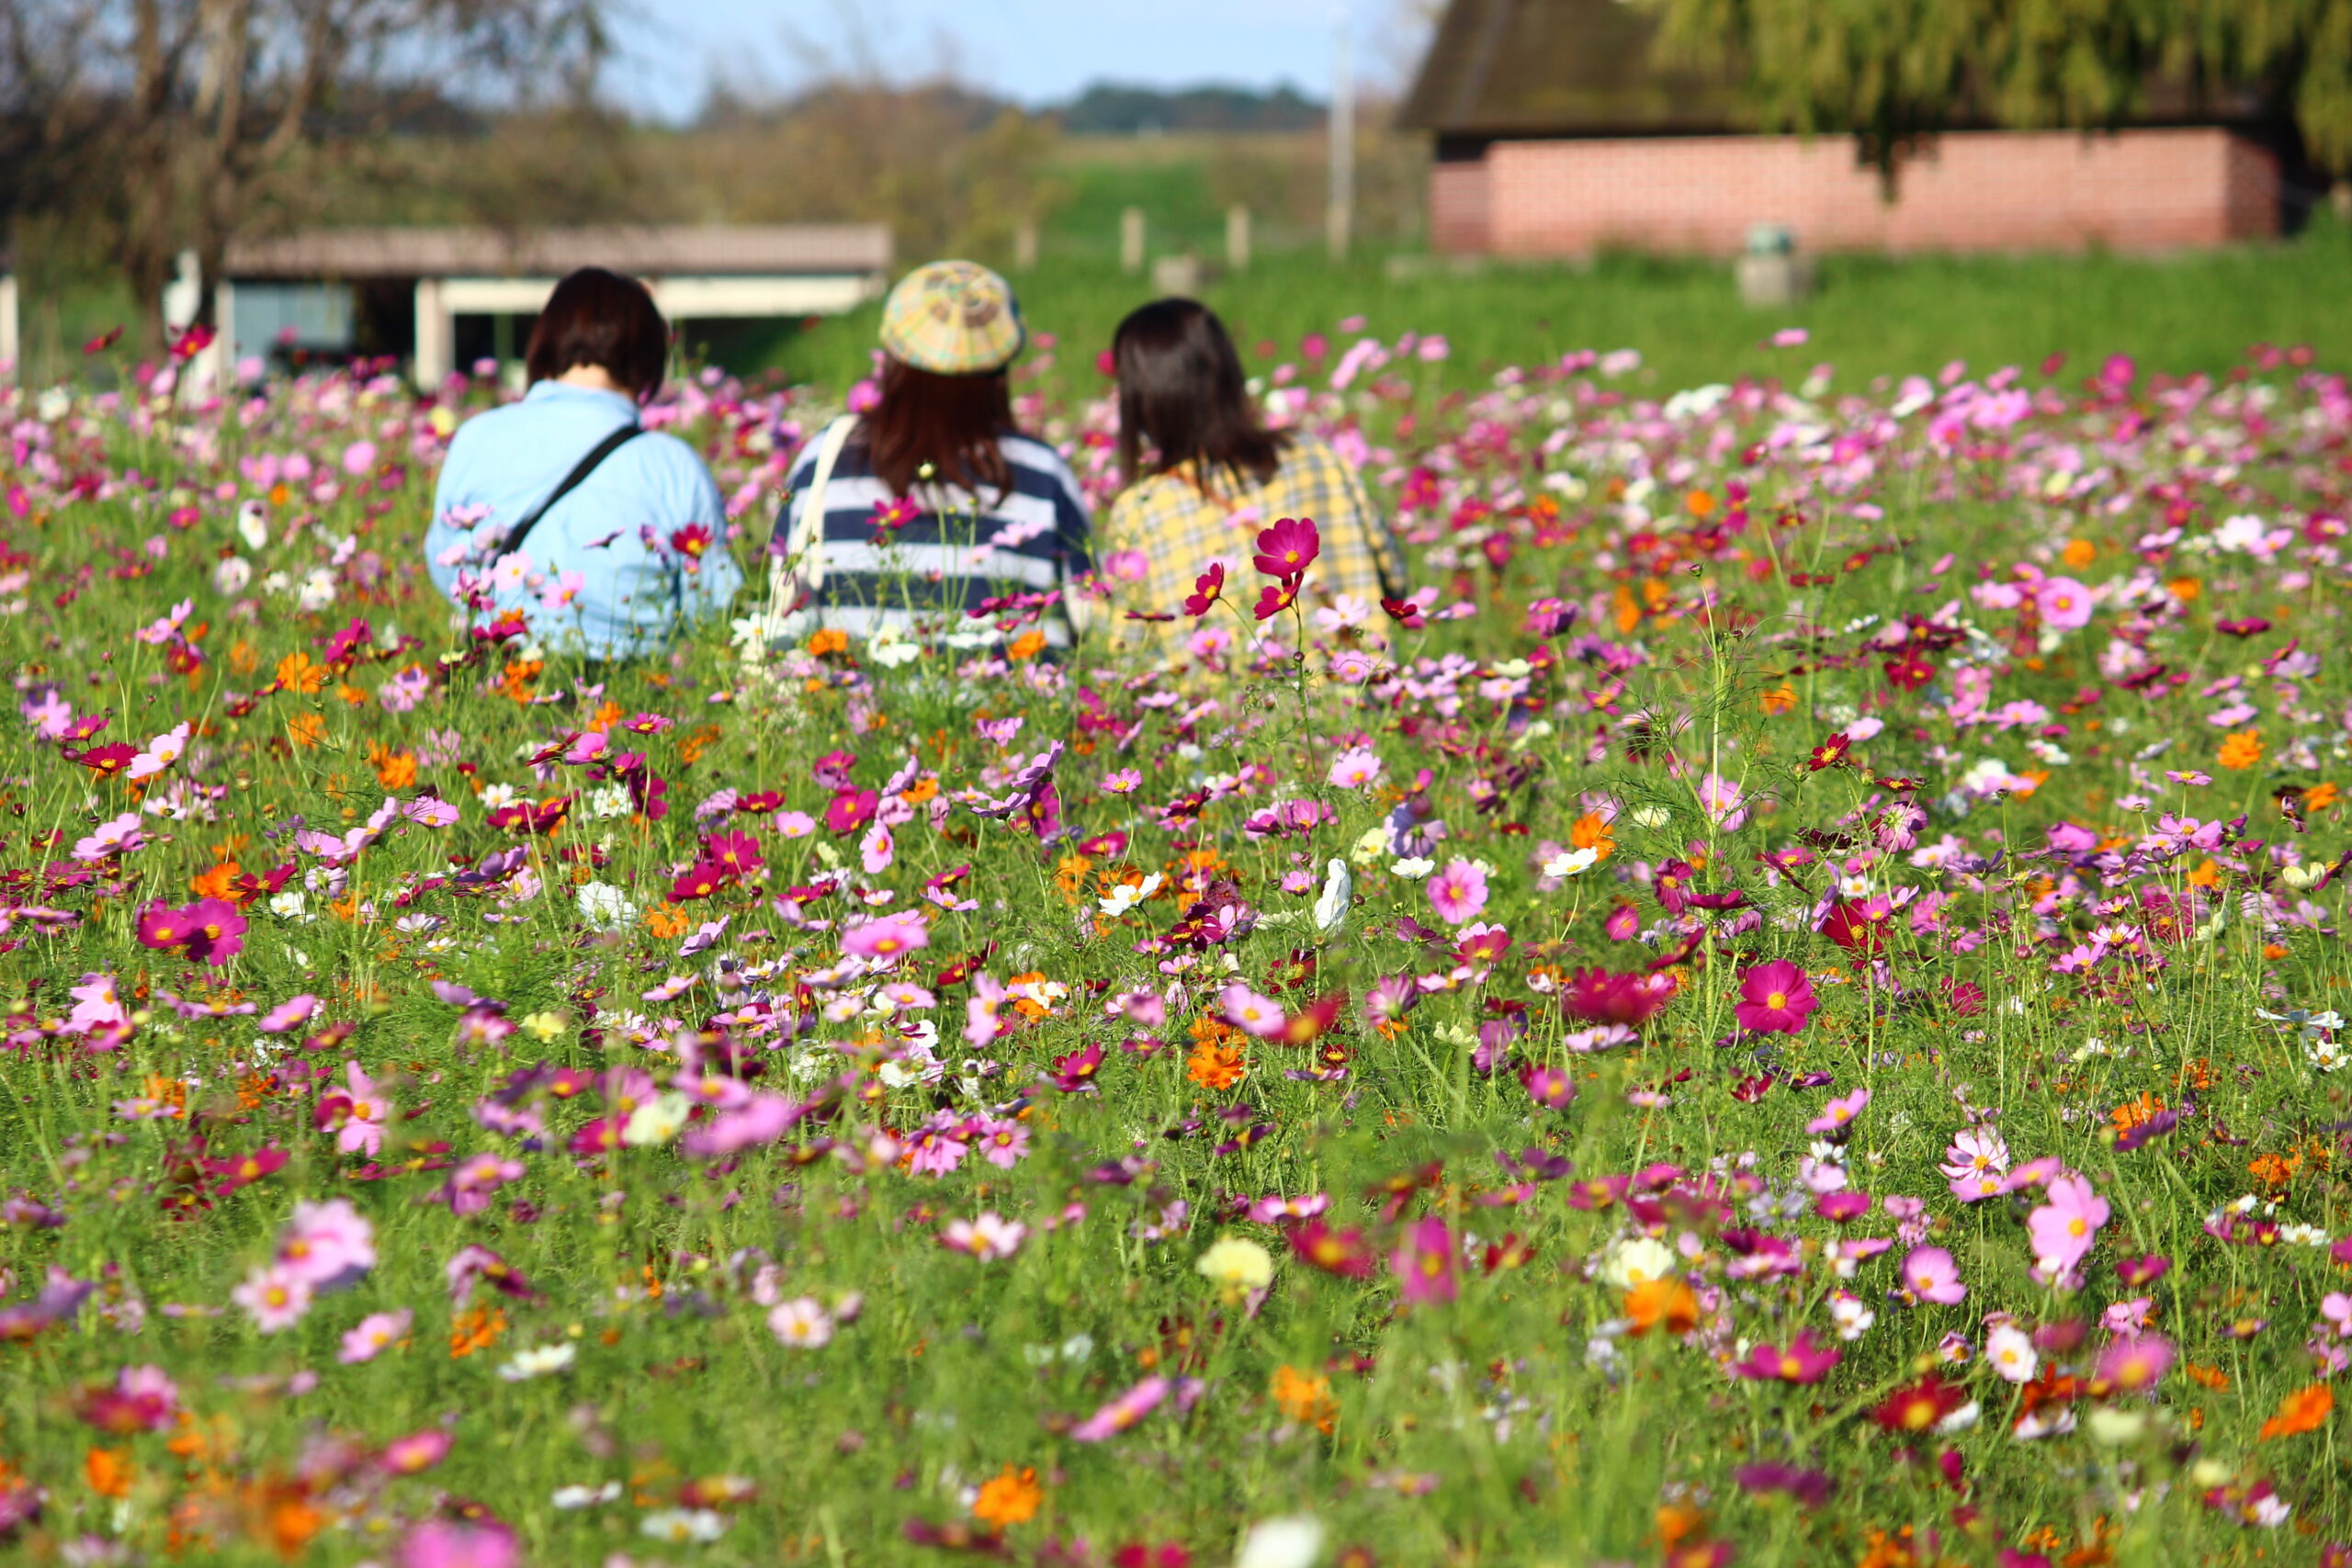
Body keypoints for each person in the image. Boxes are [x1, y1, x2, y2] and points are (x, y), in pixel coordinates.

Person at [766, 260, 1091, 655]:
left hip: (854, 706)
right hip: (1015, 711)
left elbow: (782, 589)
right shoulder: (1043, 471)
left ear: (892, 354)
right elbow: (1087, 611)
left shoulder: (827, 456)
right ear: (1001, 364)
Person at [424, 266, 741, 659]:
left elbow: (448, 571)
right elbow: (709, 607)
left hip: (501, 682)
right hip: (634, 700)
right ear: (650, 356)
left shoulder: (476, 437)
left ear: (545, 339)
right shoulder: (673, 465)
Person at [1104, 298, 1405, 637]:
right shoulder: (1314, 456)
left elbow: (1124, 644)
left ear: (1141, 398)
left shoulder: (1141, 510)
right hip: (1357, 679)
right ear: (1228, 373)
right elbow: (1392, 575)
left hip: (1226, 689)